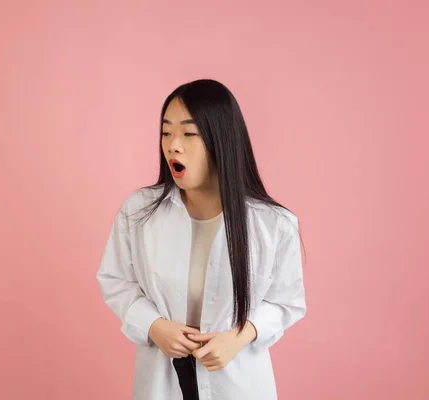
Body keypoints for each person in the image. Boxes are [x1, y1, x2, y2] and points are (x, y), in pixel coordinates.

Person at [96, 78, 307, 400]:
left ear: (220, 139)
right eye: (166, 132)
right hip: (162, 379)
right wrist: (153, 324)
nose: (173, 145)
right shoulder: (139, 211)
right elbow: (116, 280)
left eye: (188, 133)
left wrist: (240, 335)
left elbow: (285, 302)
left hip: (236, 381)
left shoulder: (273, 224)